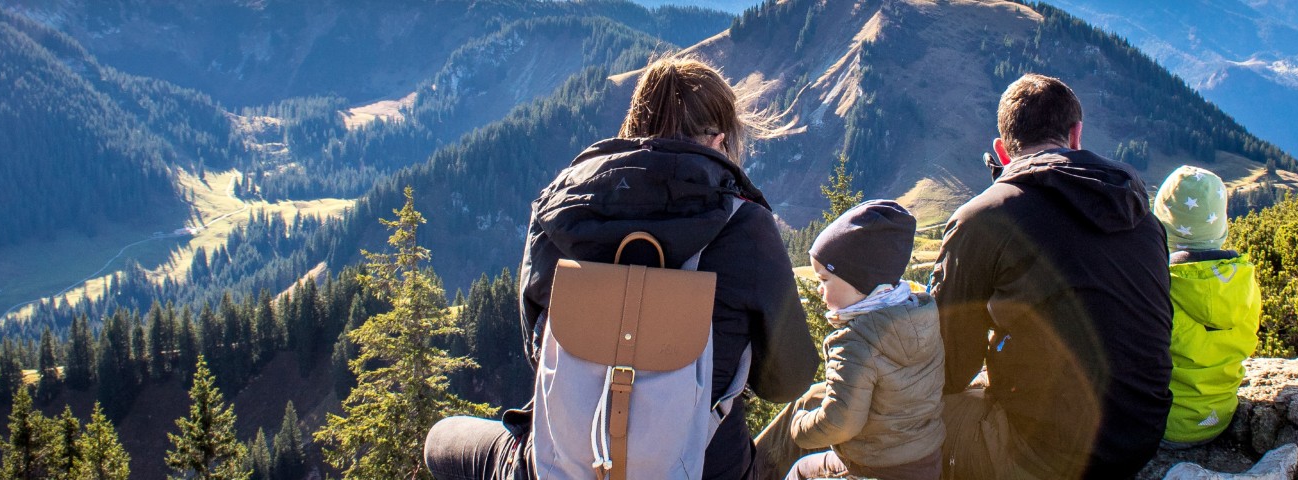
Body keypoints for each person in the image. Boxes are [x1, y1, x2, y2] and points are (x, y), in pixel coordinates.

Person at [421, 56, 819, 480]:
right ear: (719, 140)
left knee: (441, 439)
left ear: (632, 126)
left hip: (561, 467)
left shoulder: (558, 210)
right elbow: (786, 381)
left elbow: (538, 350)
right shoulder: (745, 225)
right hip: (705, 469)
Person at [930, 73, 1173, 479]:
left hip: (1043, 455)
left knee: (873, 418)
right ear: (1076, 135)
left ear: (1002, 151)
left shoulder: (985, 219)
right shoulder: (1144, 217)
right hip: (1139, 439)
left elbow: (951, 368)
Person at [753, 200, 944, 480]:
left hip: (874, 469)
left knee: (800, 472)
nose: (819, 289)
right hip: (924, 463)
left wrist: (799, 427)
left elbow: (840, 422)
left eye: (826, 279)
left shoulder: (855, 342)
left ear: (860, 282)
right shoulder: (920, 317)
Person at [1149, 166, 1261, 448]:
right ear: (1222, 225)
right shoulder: (1245, 281)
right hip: (1221, 416)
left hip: (1165, 426)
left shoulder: (1158, 285)